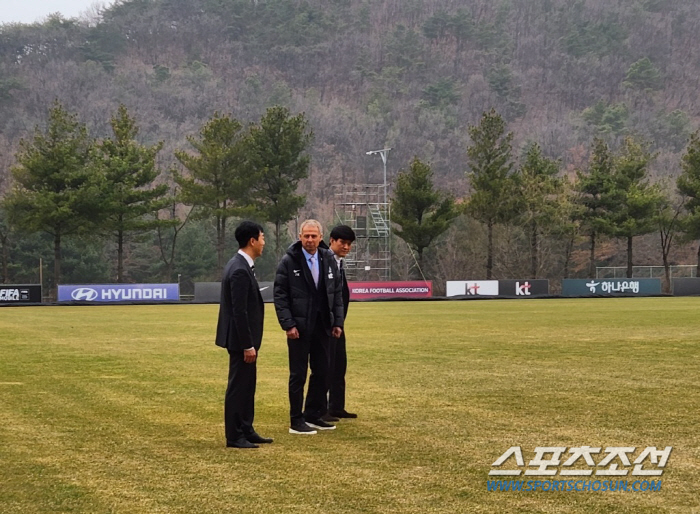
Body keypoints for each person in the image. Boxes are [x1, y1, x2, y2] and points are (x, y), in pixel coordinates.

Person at [273, 219, 345, 435]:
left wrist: (338, 322)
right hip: (299, 328)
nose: (310, 240)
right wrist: (288, 324)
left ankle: (313, 414)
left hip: (323, 326)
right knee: (298, 374)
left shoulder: (328, 259)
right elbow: (280, 295)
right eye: (306, 236)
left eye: (314, 236)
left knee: (323, 371)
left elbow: (337, 294)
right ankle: (296, 420)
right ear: (300, 236)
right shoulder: (289, 261)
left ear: (321, 237)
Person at [215, 221, 272, 449]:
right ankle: (234, 435)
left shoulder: (242, 265)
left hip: (245, 341)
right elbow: (239, 311)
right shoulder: (239, 269)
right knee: (239, 386)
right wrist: (248, 345)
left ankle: (246, 429)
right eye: (262, 237)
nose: (263, 242)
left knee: (248, 386)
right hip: (241, 342)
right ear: (252, 241)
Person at [321, 225, 358, 421]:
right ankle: (321, 409)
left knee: (339, 365)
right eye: (342, 243)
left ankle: (336, 406)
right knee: (325, 366)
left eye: (349, 244)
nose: (346, 247)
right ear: (332, 241)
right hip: (327, 324)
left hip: (338, 324)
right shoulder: (325, 262)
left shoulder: (339, 263)